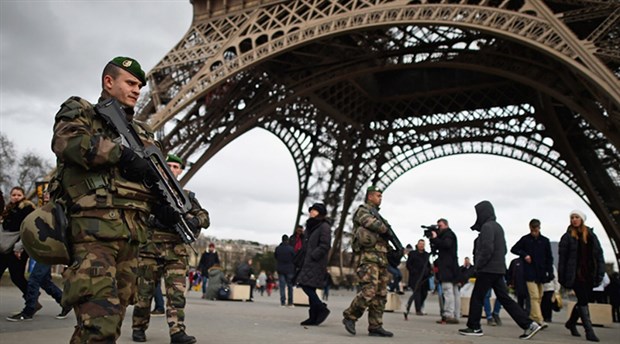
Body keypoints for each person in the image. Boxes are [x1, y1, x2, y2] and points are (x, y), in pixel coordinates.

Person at [51, 56, 164, 343]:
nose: (138, 89)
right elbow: (67, 143)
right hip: (93, 237)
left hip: (131, 239)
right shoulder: (82, 111)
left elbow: (154, 181)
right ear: (108, 81)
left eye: (140, 85)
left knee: (106, 328)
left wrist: (167, 207)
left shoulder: (143, 133)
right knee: (100, 328)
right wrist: (121, 154)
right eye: (130, 82)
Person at [131, 154, 210, 344]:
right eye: (170, 165)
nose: (173, 169)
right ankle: (138, 327)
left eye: (177, 166)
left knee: (176, 294)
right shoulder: (150, 191)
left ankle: (177, 331)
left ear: (181, 170)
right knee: (144, 292)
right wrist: (155, 218)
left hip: (175, 251)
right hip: (150, 249)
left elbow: (205, 217)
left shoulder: (186, 196)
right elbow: (136, 215)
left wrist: (192, 221)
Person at [459, 200, 542, 340]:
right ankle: (529, 324)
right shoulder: (498, 227)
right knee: (505, 299)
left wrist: (478, 266)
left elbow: (486, 249)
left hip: (487, 269)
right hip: (498, 269)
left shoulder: (486, 227)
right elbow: (503, 249)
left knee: (477, 297)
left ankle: (474, 326)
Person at [342, 186, 394, 337]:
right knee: (369, 291)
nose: (380, 198)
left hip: (381, 259)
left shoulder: (378, 215)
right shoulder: (363, 211)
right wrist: (386, 229)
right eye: (378, 195)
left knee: (381, 294)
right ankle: (350, 317)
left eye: (381, 196)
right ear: (370, 196)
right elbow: (372, 224)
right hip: (369, 258)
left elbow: (382, 234)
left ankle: (375, 325)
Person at [558, 210, 605, 342]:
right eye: (572, 217)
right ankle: (589, 331)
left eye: (576, 217)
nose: (574, 219)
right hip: (575, 275)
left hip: (589, 274)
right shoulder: (567, 237)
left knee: (582, 301)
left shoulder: (591, 236)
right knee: (583, 301)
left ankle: (571, 323)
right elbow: (563, 260)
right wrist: (563, 277)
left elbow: (599, 256)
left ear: (582, 219)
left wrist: (600, 273)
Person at [510, 218, 554, 328]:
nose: (534, 231)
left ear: (539, 228)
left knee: (539, 296)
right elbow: (514, 249)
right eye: (532, 229)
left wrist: (550, 272)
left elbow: (549, 258)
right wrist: (524, 255)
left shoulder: (545, 241)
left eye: (536, 229)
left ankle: (532, 317)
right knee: (534, 297)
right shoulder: (525, 240)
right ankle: (540, 319)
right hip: (529, 272)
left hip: (541, 273)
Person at [296, 202, 332, 326]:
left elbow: (325, 245)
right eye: (311, 210)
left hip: (316, 262)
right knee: (309, 287)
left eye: (314, 210)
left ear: (320, 213)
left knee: (306, 286)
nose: (311, 212)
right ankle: (314, 316)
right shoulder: (311, 226)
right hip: (308, 261)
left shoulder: (324, 226)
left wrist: (313, 255)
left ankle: (321, 308)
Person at [6, 259, 72, 322]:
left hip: (46, 252)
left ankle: (29, 310)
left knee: (34, 279)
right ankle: (64, 302)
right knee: (44, 281)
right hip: (45, 252)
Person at [0, 186, 34, 299]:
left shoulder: (27, 209)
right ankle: (32, 299)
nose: (16, 197)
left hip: (18, 247)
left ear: (23, 196)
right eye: (13, 195)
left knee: (17, 276)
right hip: (6, 247)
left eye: (19, 195)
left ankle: (31, 299)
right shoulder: (8, 209)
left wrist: (19, 247)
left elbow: (27, 229)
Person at [430, 218, 460, 324]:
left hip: (447, 268)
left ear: (446, 225)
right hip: (452, 267)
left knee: (448, 291)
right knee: (454, 292)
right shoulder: (449, 234)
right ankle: (455, 314)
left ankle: (449, 314)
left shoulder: (448, 235)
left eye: (440, 226)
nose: (439, 228)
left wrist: (435, 239)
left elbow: (446, 245)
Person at [404, 239, 431, 319]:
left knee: (424, 293)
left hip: (425, 277)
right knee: (417, 293)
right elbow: (408, 264)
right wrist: (413, 271)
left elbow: (428, 265)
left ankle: (420, 305)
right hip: (415, 276)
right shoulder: (413, 254)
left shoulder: (426, 254)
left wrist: (429, 271)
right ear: (417, 244)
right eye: (420, 244)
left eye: (423, 244)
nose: (421, 245)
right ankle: (418, 309)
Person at [274, 234, 295, 307]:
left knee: (282, 286)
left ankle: (282, 302)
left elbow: (276, 257)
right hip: (289, 269)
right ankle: (290, 302)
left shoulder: (278, 248)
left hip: (281, 269)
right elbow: (294, 257)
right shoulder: (291, 249)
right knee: (290, 286)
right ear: (288, 240)